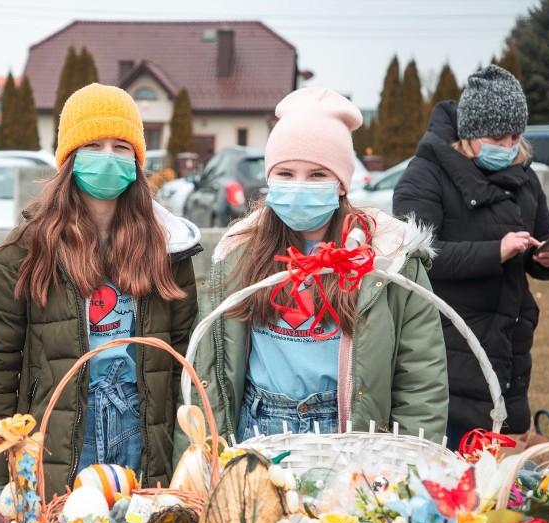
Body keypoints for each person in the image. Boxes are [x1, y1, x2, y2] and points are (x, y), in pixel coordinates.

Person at [0, 83, 202, 523]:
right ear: (68, 159)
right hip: (61, 430)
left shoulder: (168, 249)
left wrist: (187, 453)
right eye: (93, 146)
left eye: (120, 147)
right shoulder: (26, 253)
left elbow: (184, 361)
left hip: (143, 426)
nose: (108, 157)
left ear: (137, 160)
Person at [176, 87, 448, 458]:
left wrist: (413, 464)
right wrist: (199, 460)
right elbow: (208, 370)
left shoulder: (387, 259)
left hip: (347, 432)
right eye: (286, 173)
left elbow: (421, 381)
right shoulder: (239, 253)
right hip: (258, 430)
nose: (299, 185)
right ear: (270, 180)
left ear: (340, 183)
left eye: (318, 174)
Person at [393, 65, 549, 449]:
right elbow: (417, 255)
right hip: (449, 343)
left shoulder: (525, 174)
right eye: (495, 137)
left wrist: (548, 259)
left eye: (515, 136)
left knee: (497, 469)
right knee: (454, 461)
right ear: (468, 134)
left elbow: (537, 243)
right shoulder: (424, 175)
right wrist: (496, 251)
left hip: (508, 342)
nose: (506, 147)